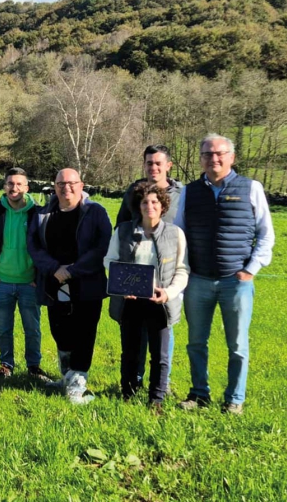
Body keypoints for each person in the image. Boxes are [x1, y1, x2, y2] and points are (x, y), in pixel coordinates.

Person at [174, 134, 275, 415]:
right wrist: (184, 271)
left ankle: (235, 399)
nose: (213, 159)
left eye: (219, 153)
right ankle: (198, 393)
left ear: (232, 157)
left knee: (238, 345)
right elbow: (179, 233)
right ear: (201, 159)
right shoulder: (189, 192)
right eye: (207, 154)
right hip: (198, 281)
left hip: (236, 281)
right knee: (196, 342)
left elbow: (266, 234)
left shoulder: (251, 188)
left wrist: (250, 270)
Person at [28, 168, 112, 404]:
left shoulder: (95, 212)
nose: (66, 188)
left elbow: (101, 246)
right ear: (54, 187)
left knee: (84, 332)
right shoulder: (43, 213)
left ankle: (78, 381)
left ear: (81, 185)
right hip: (53, 282)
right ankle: (67, 376)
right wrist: (55, 269)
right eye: (61, 183)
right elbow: (34, 246)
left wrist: (72, 270)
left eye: (72, 183)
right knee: (59, 330)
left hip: (87, 284)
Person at [105, 183, 189, 410]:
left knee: (160, 355)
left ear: (163, 206)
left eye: (154, 202)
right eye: (144, 202)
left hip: (160, 303)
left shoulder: (175, 234)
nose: (149, 206)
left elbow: (182, 269)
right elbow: (110, 260)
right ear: (138, 206)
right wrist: (122, 286)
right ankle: (128, 394)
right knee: (130, 352)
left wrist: (169, 293)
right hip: (130, 302)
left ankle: (156, 400)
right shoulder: (123, 231)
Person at [114, 145, 184, 392]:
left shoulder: (182, 194)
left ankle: (160, 386)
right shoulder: (133, 192)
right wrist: (122, 280)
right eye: (149, 163)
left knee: (162, 333)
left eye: (158, 163)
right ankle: (135, 381)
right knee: (133, 336)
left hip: (167, 275)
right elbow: (121, 227)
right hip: (135, 276)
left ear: (168, 166)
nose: (153, 167)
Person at [0, 167, 51, 382]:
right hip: (1, 281)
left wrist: (37, 278)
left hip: (29, 283)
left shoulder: (37, 213)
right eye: (10, 184)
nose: (14, 188)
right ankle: (6, 365)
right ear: (4, 186)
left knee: (32, 328)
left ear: (27, 188)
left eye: (19, 184)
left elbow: (45, 246)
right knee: (3, 328)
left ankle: (34, 367)